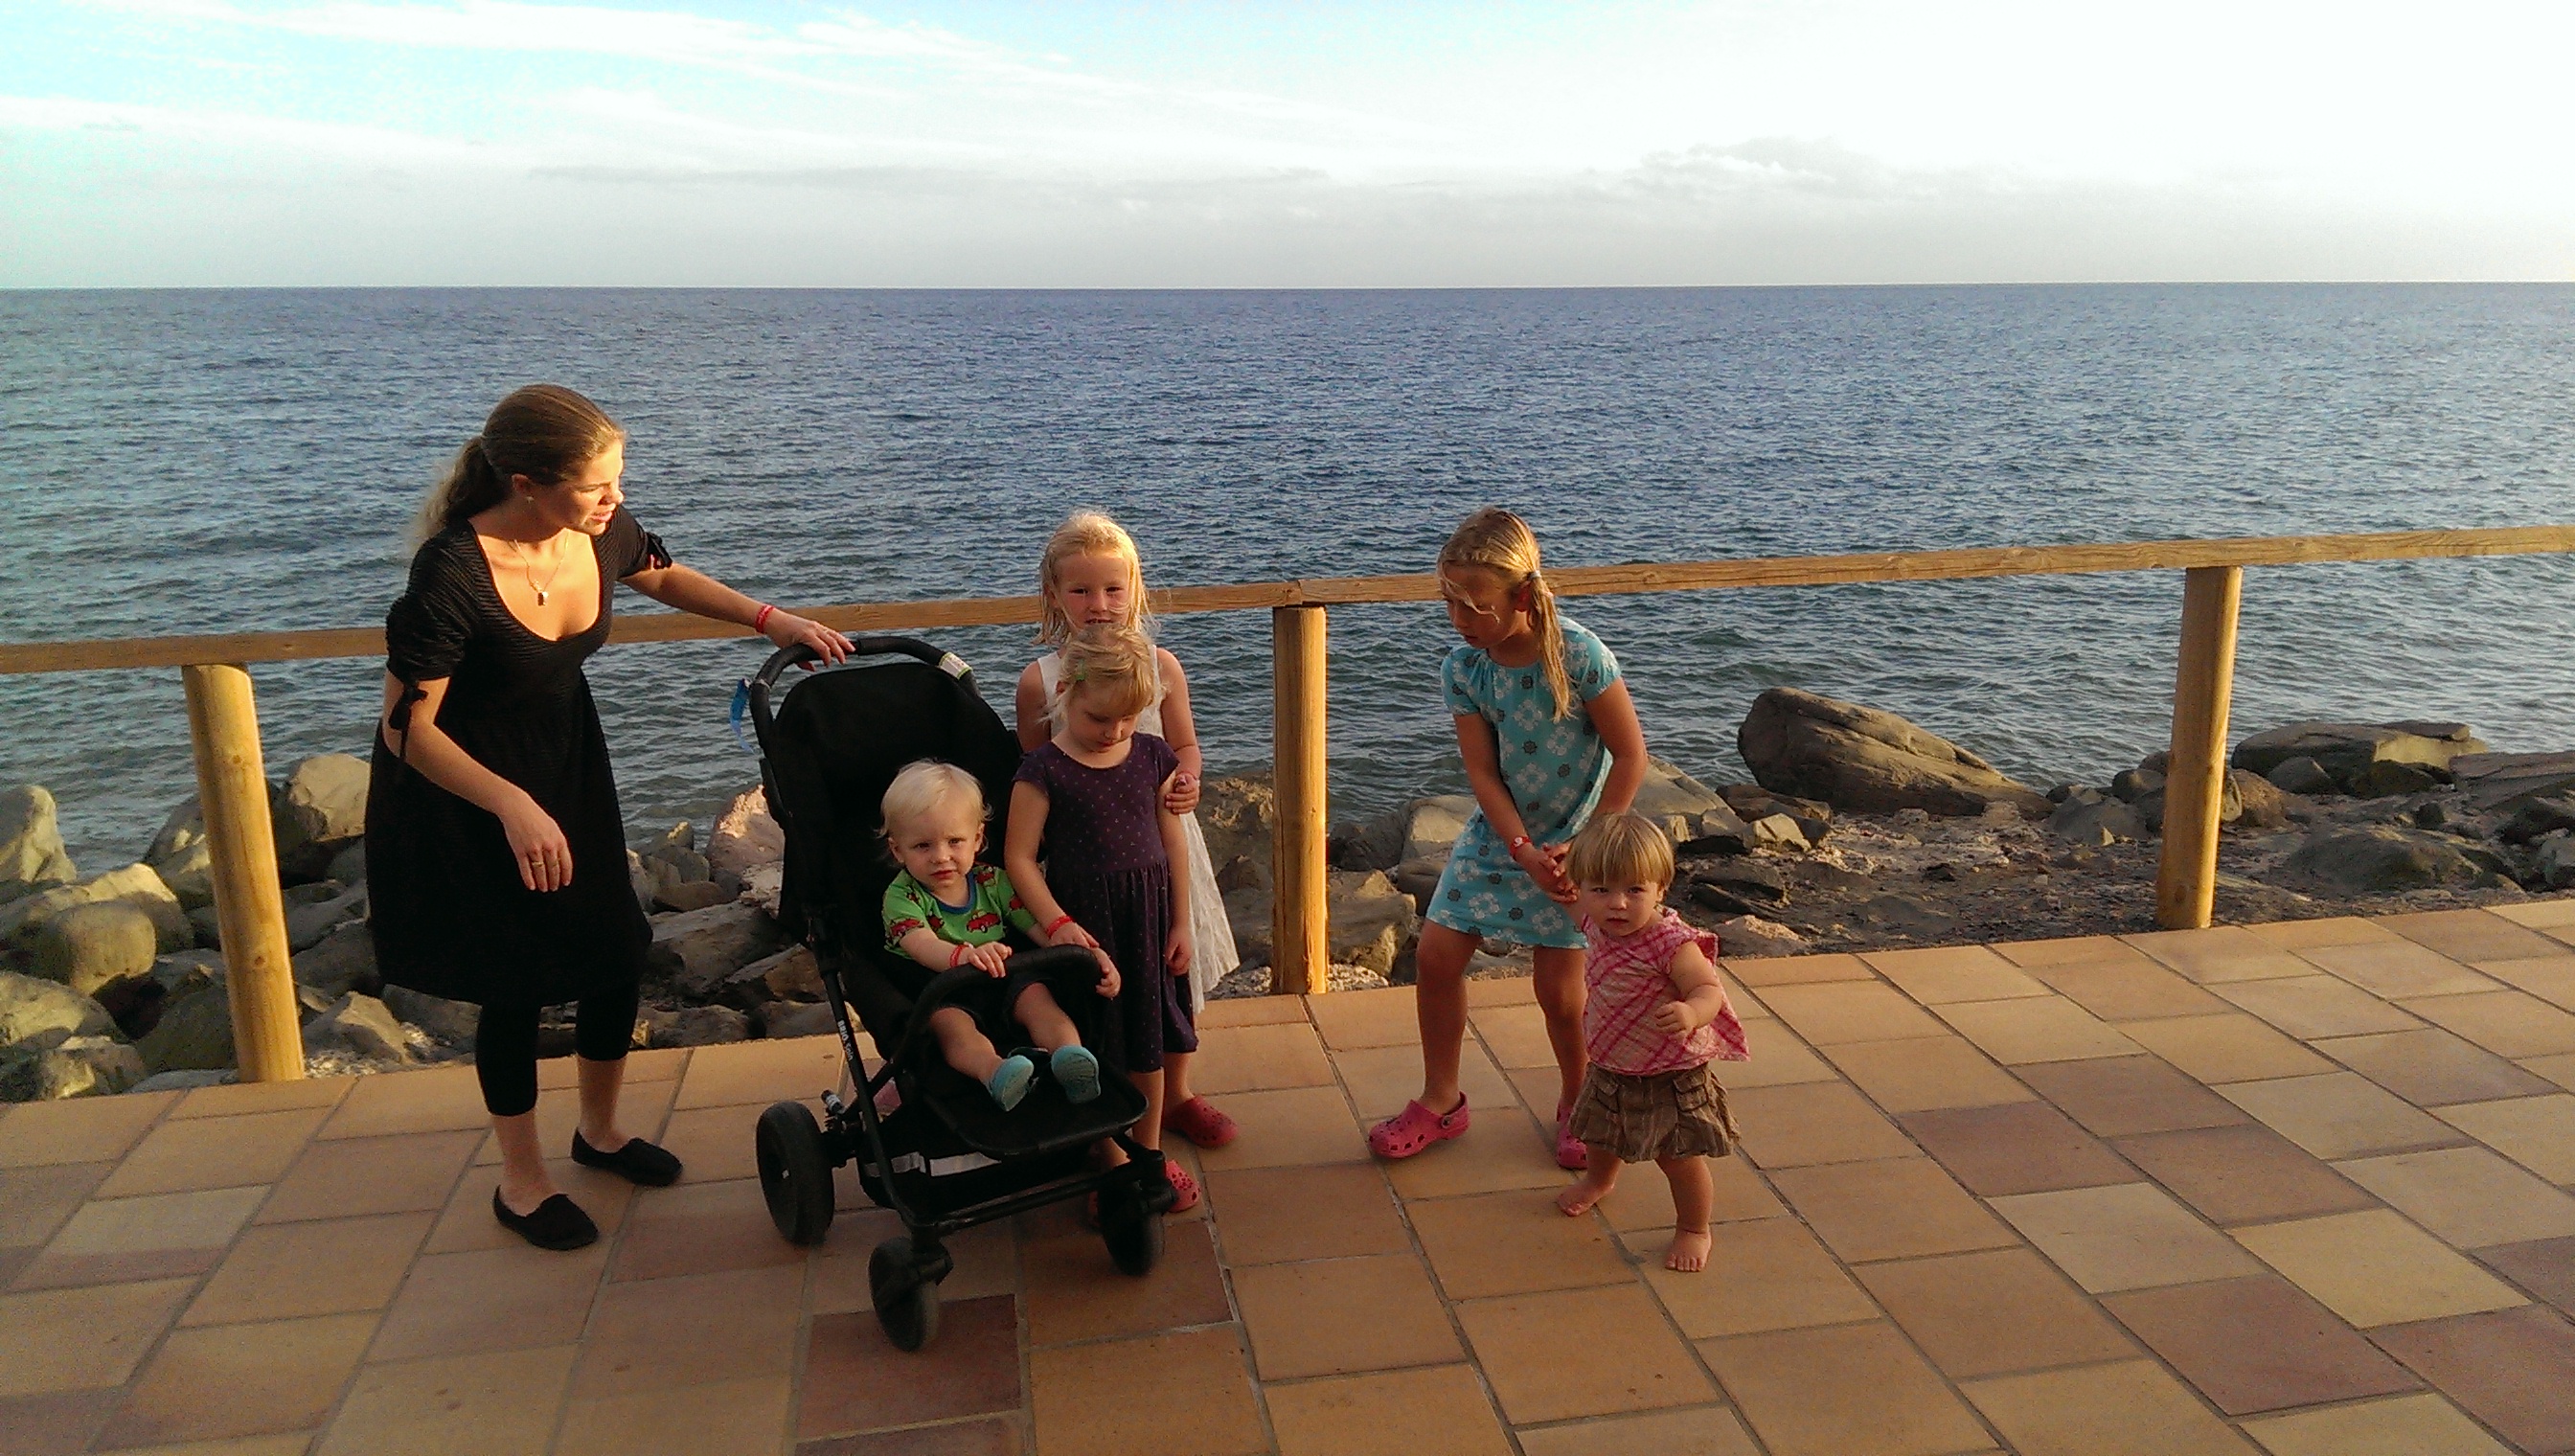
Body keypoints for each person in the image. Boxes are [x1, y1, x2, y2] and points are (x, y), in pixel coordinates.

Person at [367, 383, 851, 1251]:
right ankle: (521, 1182)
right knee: (514, 984)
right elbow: (406, 730)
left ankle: (600, 1131)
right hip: (471, 789)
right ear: (525, 484)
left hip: (565, 764)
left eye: (617, 480)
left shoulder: (598, 529)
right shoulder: (451, 573)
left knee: (615, 952)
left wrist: (769, 619)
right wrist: (511, 805)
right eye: (596, 485)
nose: (615, 500)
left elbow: (659, 570)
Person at [1368, 507, 1649, 1171]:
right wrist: (1520, 847)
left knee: (1561, 994)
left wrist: (1589, 847)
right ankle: (1442, 1099)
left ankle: (1580, 1099)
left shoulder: (1579, 655)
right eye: (1449, 603)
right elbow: (1482, 772)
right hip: (1503, 834)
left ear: (1522, 596)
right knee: (1437, 957)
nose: (1459, 619)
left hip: (1580, 840)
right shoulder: (1466, 669)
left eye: (1475, 606)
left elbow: (1631, 755)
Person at [1014, 512, 1237, 1151]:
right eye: (1081, 590)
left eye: (1113, 589)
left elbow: (1184, 744)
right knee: (1111, 991)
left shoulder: (1160, 666)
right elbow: (1034, 767)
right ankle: (1113, 1121)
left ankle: (1178, 1094)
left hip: (1162, 839)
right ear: (1055, 594)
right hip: (1089, 854)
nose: (1099, 605)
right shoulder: (1041, 680)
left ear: (1134, 589)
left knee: (1173, 977)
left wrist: (1188, 778)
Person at [1004, 624, 1201, 1211]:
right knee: (1101, 1042)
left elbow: (1173, 841)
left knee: (1149, 1037)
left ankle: (1147, 1151)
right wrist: (1058, 925)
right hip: (1085, 924)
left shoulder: (1152, 755)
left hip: (1148, 920)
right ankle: (1109, 1158)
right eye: (1098, 718)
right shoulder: (1042, 770)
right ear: (1066, 693)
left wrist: (1183, 921)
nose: (1113, 731)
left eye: (1127, 718)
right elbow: (1019, 858)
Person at [1549, 811, 1748, 1272]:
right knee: (1599, 1133)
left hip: (1670, 1073)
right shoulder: (1593, 922)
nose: (1617, 904)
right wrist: (1548, 868)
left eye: (1635, 890)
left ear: (1661, 889)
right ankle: (1600, 1181)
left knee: (1678, 1158)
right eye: (1601, 889)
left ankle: (1694, 1228)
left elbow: (1708, 989)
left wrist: (1691, 1012)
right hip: (1611, 1062)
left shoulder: (1671, 943)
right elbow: (1564, 895)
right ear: (1582, 888)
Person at [878, 759, 1111, 1109]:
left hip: (1002, 974)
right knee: (953, 1030)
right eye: (923, 846)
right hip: (940, 986)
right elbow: (921, 944)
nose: (941, 856)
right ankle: (995, 1072)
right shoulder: (901, 897)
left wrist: (1078, 951)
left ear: (977, 839)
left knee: (1039, 1000)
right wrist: (966, 956)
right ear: (898, 850)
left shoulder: (992, 880)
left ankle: (1070, 1056)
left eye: (954, 841)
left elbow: (1034, 926)